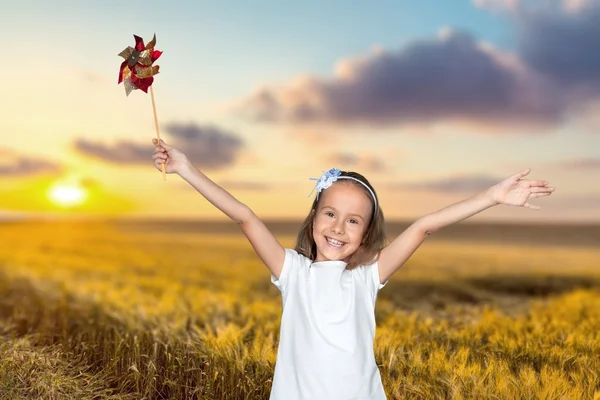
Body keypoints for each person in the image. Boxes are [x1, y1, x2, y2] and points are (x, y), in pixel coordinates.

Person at [151, 138, 555, 399]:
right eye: (329, 213)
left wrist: (492, 196)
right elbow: (245, 217)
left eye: (353, 221)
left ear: (366, 234)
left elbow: (424, 226)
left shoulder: (367, 280)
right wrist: (185, 168)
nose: (338, 228)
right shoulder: (294, 273)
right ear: (313, 218)